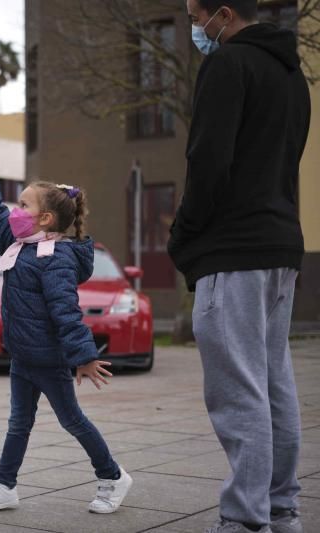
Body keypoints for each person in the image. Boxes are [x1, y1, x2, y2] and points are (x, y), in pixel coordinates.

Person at [168, 2, 310, 532]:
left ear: (223, 14)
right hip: (279, 248)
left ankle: (245, 520)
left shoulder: (227, 65)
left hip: (233, 250)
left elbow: (208, 161)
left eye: (195, 15)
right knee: (274, 385)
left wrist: (183, 236)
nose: (194, 28)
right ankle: (280, 509)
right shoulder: (292, 76)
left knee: (239, 391)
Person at [0, 144, 132, 515]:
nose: (15, 211)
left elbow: (66, 311)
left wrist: (83, 357)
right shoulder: (18, 245)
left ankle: (113, 476)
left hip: (50, 358)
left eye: (24, 205)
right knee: (18, 424)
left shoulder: (56, 259)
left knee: (72, 420)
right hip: (22, 355)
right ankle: (5, 485)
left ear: (46, 219)